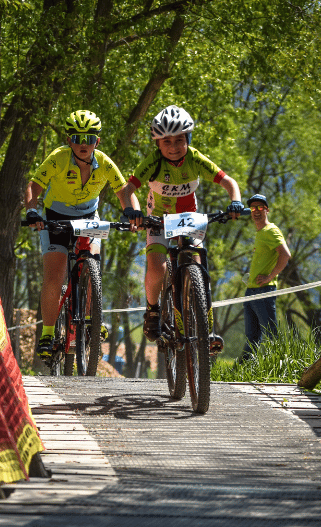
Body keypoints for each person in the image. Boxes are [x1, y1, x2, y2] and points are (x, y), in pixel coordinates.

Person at [24, 110, 142, 361]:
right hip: (56, 216)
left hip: (89, 217)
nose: (83, 143)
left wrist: (134, 214)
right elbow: (34, 186)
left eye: (89, 138)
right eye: (77, 137)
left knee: (93, 263)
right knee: (55, 272)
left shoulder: (105, 163)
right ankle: (47, 333)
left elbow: (124, 191)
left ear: (97, 142)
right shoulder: (58, 158)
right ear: (69, 140)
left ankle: (92, 317)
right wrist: (32, 211)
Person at [125, 105, 244, 344]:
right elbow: (128, 189)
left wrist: (235, 202)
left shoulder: (194, 158)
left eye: (180, 140)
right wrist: (133, 211)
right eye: (166, 142)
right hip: (157, 215)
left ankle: (204, 326)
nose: (174, 147)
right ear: (157, 144)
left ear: (188, 139)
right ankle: (153, 310)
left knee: (197, 261)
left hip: (188, 216)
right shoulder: (153, 162)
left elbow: (229, 182)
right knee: (157, 267)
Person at [239, 194, 291, 363]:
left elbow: (285, 254)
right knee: (252, 337)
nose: (256, 211)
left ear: (267, 210)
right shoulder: (260, 233)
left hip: (263, 292)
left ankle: (282, 369)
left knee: (271, 335)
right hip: (251, 291)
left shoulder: (271, 230)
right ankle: (240, 371)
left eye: (260, 207)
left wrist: (270, 277)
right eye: (253, 208)